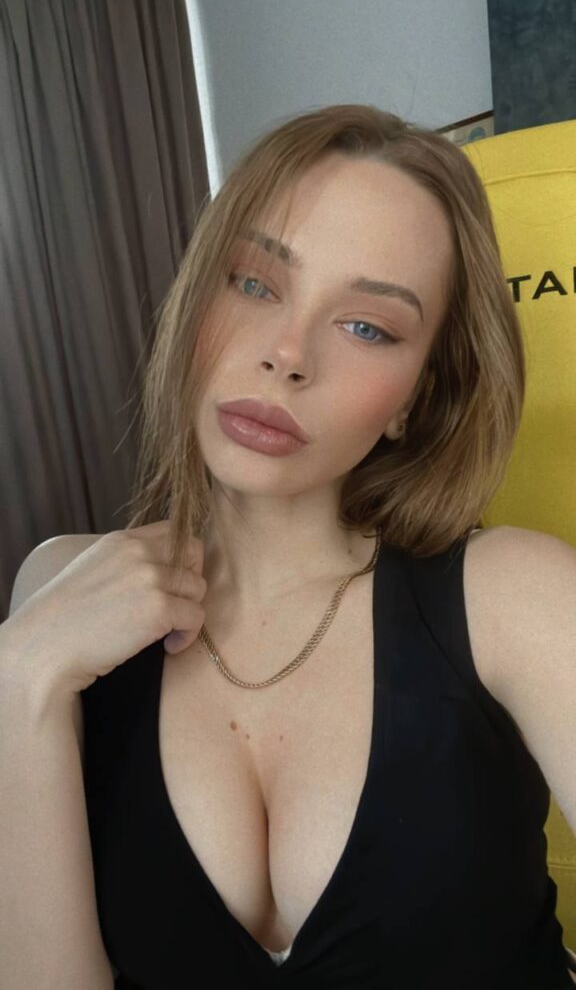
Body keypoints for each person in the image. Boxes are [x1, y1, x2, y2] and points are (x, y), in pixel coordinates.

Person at [2, 104, 575, 989]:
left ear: (417, 398)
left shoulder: (514, 597)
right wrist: (21, 677)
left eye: (367, 326)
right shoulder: (59, 588)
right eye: (254, 282)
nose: (287, 354)